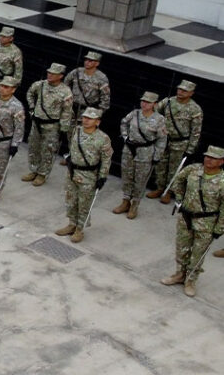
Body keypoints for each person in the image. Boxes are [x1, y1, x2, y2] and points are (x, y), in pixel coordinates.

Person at [161, 145, 224, 297]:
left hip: (206, 223)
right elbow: (178, 181)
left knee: (198, 253)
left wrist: (219, 229)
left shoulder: (222, 181)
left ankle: (190, 280)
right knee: (182, 248)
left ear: (221, 162)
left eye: (213, 158)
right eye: (207, 156)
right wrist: (180, 199)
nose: (209, 160)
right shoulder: (193, 169)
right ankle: (179, 274)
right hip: (186, 217)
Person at [56, 108, 113, 243]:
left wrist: (102, 177)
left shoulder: (103, 138)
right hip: (72, 172)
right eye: (85, 117)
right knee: (71, 200)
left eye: (90, 118)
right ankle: (71, 223)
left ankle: (79, 229)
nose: (86, 120)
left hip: (89, 175)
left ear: (97, 122)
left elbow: (106, 159)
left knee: (84, 203)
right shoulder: (77, 130)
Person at [115, 92, 167, 219]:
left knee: (140, 180)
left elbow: (162, 139)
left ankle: (135, 205)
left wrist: (157, 156)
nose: (144, 104)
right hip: (129, 149)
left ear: (154, 104)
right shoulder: (134, 113)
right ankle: (125, 201)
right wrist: (125, 136)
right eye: (143, 101)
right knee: (127, 176)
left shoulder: (160, 119)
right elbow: (123, 123)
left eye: (148, 102)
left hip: (145, 152)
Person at [151, 80, 204, 203]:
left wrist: (191, 148)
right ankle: (159, 188)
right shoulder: (168, 101)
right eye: (179, 89)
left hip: (180, 143)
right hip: (164, 140)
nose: (180, 92)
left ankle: (169, 192)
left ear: (191, 93)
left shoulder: (195, 109)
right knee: (160, 165)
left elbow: (196, 131)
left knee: (175, 169)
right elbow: (154, 113)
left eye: (184, 90)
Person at [22, 63, 73, 187]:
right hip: (37, 122)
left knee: (48, 150)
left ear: (60, 76)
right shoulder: (40, 85)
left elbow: (67, 111)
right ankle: (34, 169)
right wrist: (32, 108)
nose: (49, 75)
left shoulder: (65, 91)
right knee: (33, 147)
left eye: (53, 73)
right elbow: (30, 93)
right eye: (49, 72)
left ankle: (42, 173)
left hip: (52, 126)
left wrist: (64, 128)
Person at [0, 26, 24, 95]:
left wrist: (13, 86)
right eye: (1, 36)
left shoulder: (15, 51)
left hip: (4, 84)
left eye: (4, 36)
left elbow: (18, 71)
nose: (1, 38)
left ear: (11, 38)